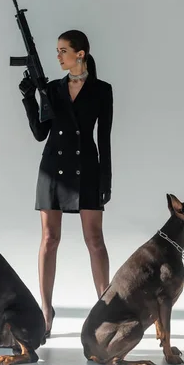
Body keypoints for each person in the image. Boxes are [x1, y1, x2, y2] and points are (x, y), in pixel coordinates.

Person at [19, 29, 113, 337]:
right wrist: (29, 97)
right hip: (53, 169)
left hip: (87, 168)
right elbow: (39, 133)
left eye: (63, 51)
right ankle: (46, 310)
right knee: (49, 240)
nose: (58, 56)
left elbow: (105, 139)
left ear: (80, 54)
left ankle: (104, 310)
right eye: (57, 51)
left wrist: (106, 179)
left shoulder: (102, 90)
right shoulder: (52, 88)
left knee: (95, 240)